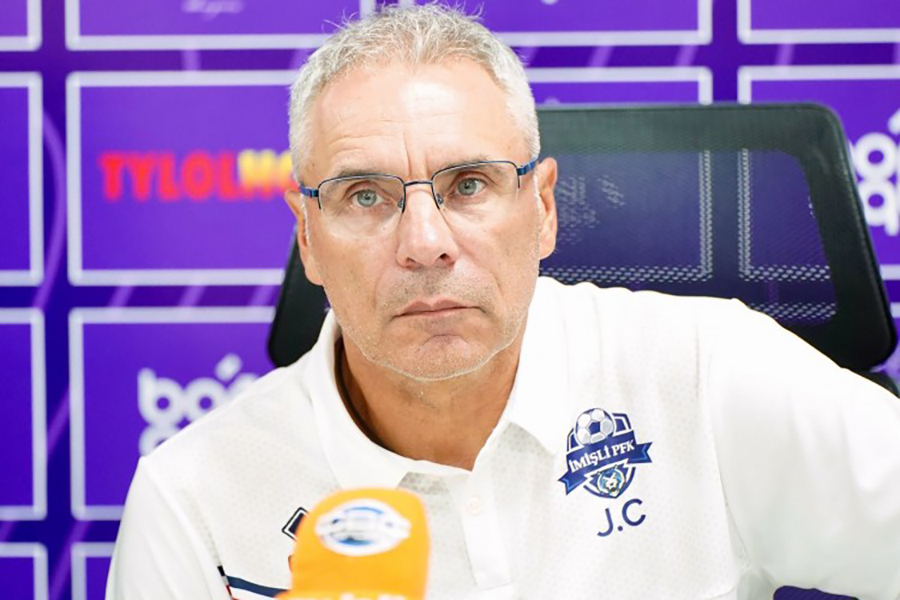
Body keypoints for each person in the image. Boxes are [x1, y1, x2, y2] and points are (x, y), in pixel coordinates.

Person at [107, 5, 900, 599]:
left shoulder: (703, 373)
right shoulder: (195, 500)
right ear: (308, 237)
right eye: (365, 195)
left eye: (468, 185)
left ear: (543, 208)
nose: (424, 241)